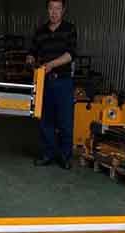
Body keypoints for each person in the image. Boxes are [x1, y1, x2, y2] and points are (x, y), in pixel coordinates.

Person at [27, 0, 77, 170]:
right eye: (51, 8)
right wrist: (30, 59)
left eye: (58, 9)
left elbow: (70, 54)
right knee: (45, 120)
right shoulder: (40, 32)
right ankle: (47, 154)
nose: (54, 12)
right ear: (47, 10)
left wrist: (51, 65)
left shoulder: (69, 29)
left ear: (63, 10)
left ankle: (65, 157)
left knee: (65, 121)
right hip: (44, 82)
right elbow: (32, 52)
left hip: (63, 81)